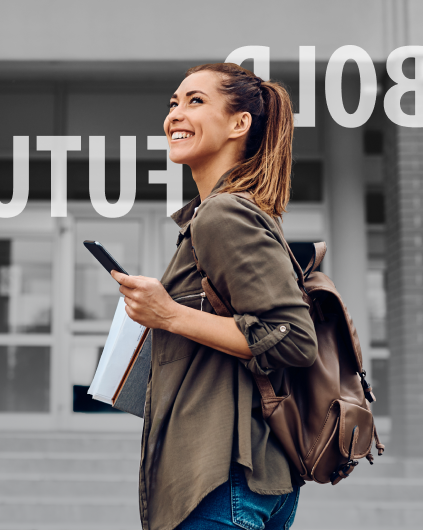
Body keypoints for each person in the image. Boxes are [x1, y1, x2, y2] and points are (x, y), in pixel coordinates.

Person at [110, 63, 319, 530]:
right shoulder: (225, 213)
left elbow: (294, 340)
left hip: (220, 483)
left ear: (239, 123)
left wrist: (168, 315)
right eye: (173, 104)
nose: (175, 115)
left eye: (195, 101)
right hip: (245, 478)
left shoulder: (223, 215)